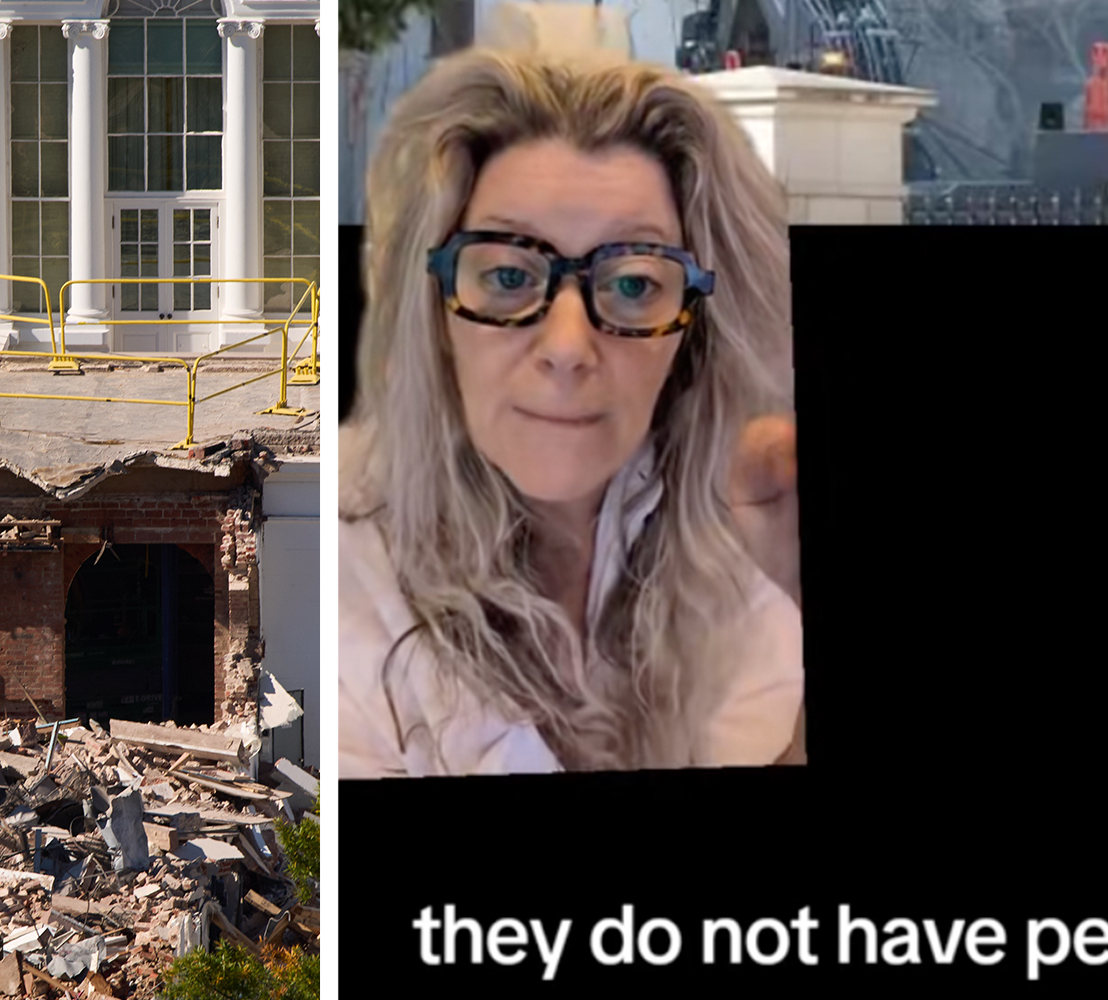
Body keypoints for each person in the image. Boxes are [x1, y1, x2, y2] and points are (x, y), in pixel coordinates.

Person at [340, 44, 802, 777]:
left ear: (692, 332)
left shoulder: (748, 597)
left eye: (632, 285)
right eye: (507, 274)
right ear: (434, 320)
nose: (567, 346)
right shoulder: (344, 589)